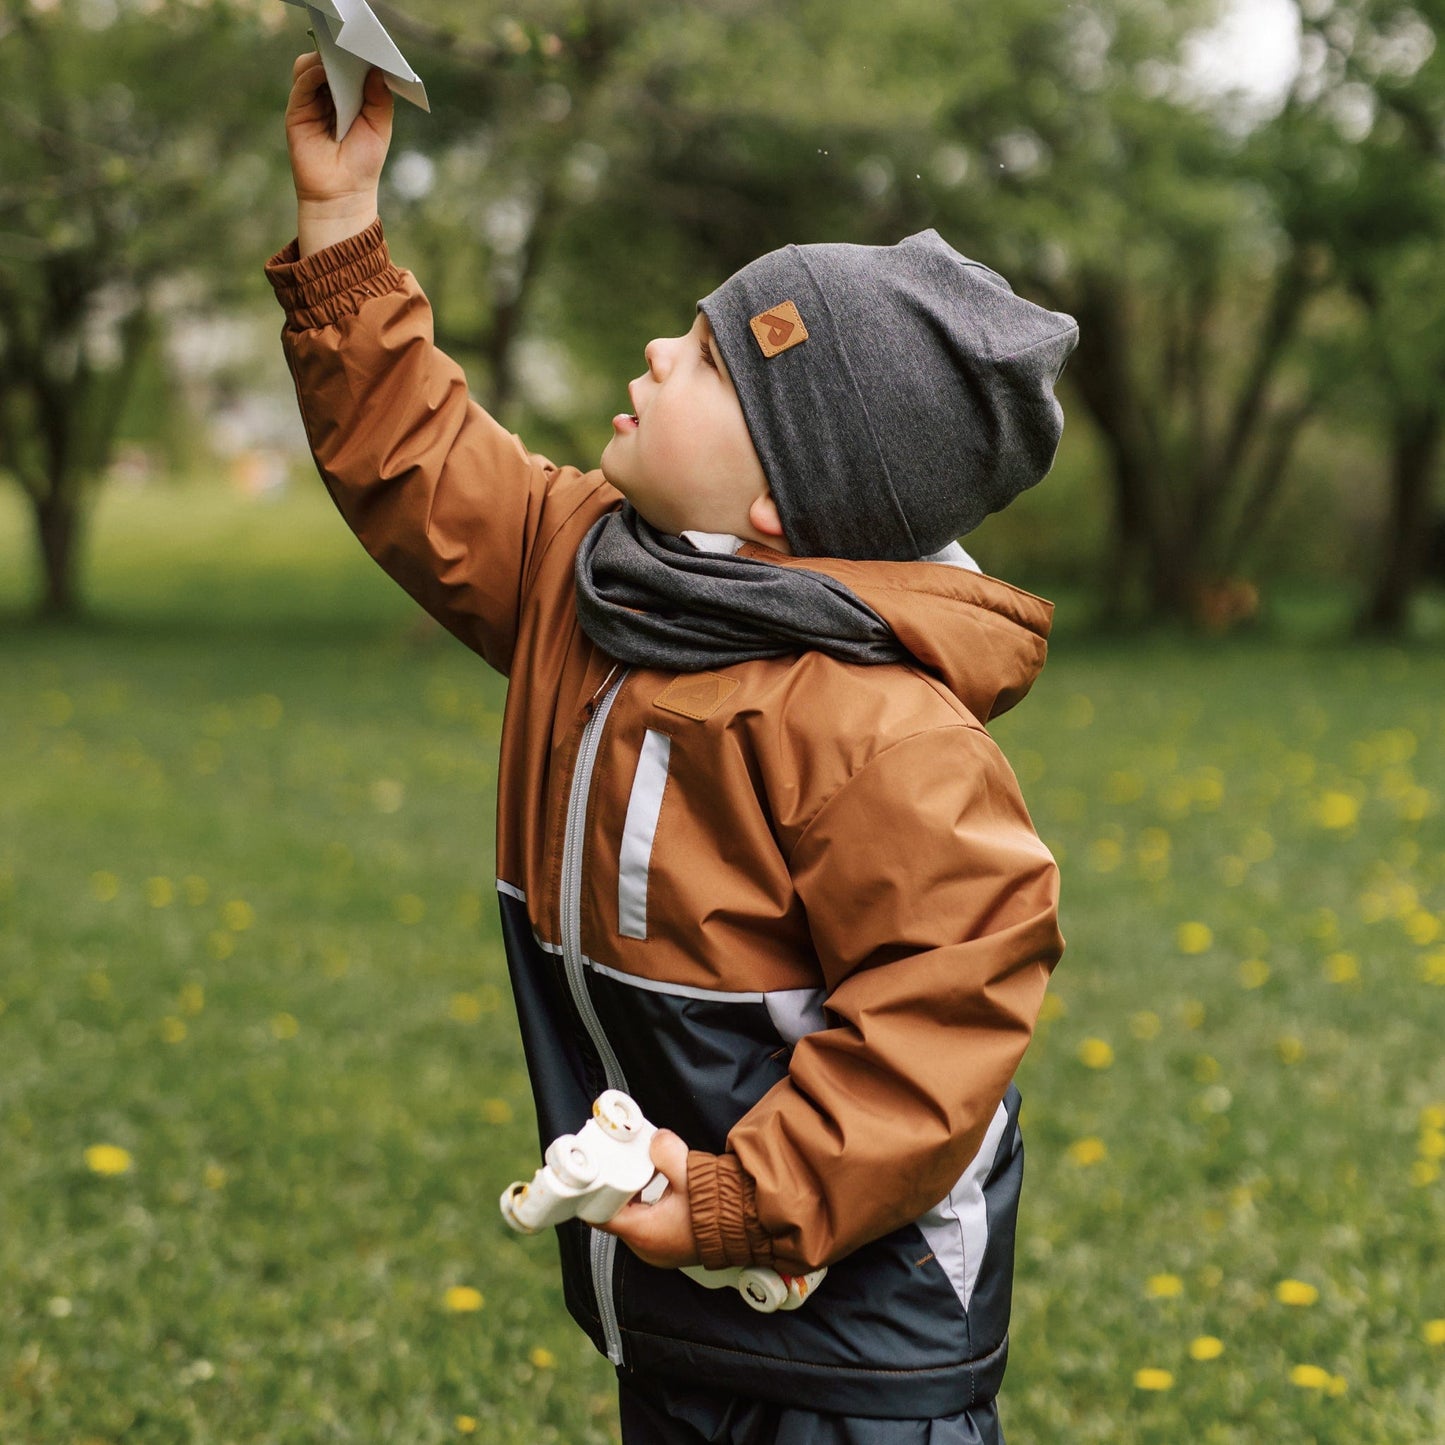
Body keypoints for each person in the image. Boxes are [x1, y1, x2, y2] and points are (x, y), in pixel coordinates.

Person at [269, 51, 1076, 1445]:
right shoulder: (592, 571)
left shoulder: (868, 722)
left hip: (848, 1336)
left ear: (780, 494)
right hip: (675, 1292)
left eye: (706, 359)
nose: (658, 351)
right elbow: (419, 454)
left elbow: (947, 999)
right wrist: (340, 223)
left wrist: (738, 1197)